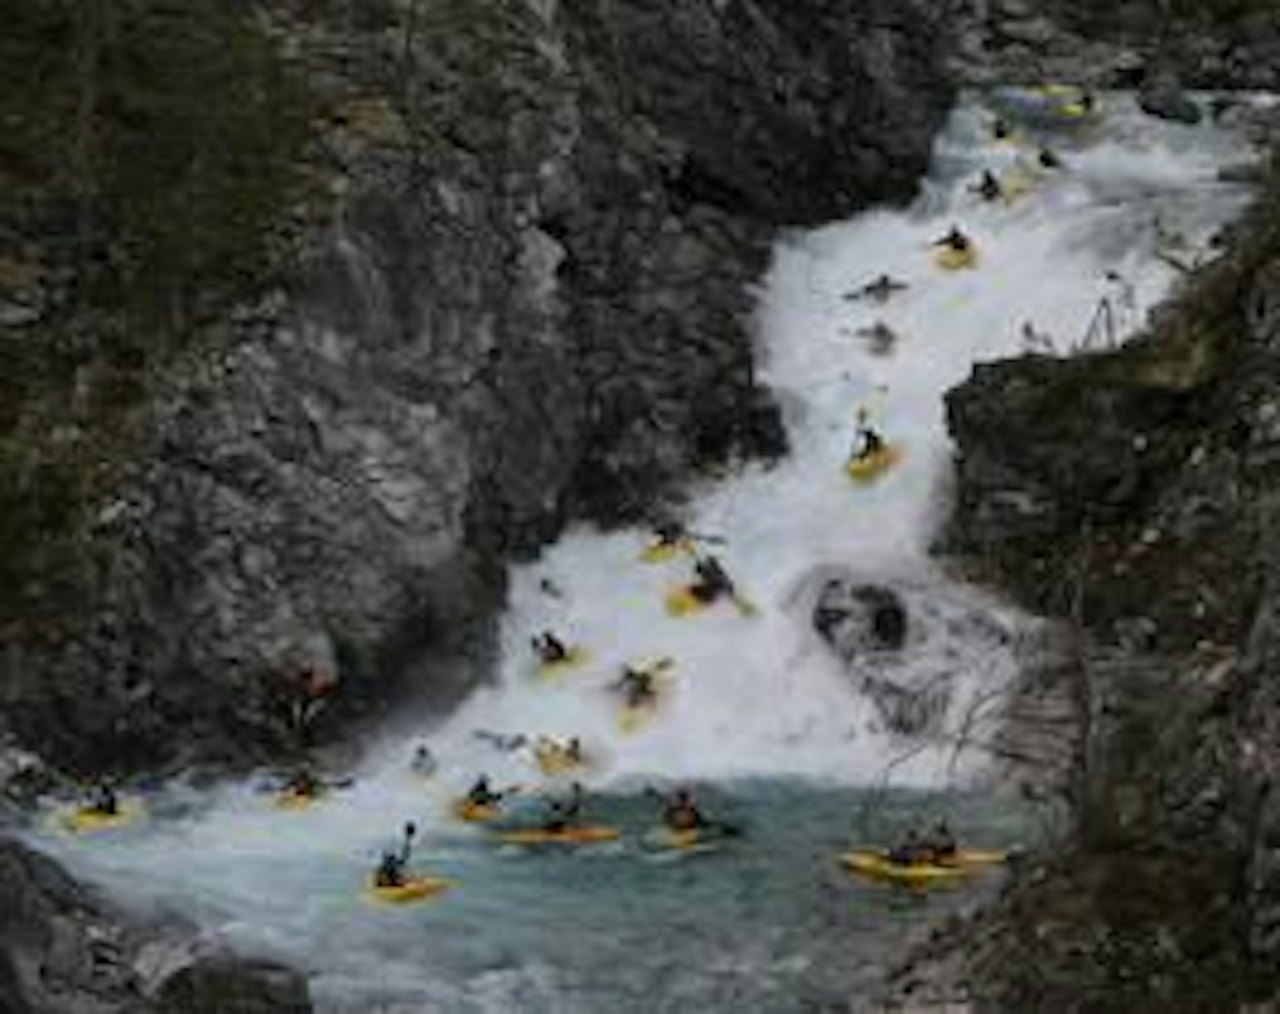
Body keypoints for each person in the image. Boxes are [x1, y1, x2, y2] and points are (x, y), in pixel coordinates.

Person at [373, 823, 416, 888]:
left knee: (401, 861)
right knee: (400, 862)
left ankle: (408, 835)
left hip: (391, 873)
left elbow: (401, 862)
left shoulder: (391, 865)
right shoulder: (385, 868)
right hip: (388, 879)